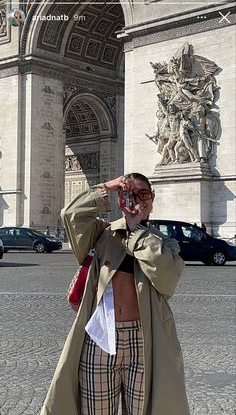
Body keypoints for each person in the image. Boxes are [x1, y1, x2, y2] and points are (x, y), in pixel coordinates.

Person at [40, 173, 190, 415]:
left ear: (152, 198)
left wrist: (135, 230)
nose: (138, 201)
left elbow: (167, 278)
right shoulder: (101, 234)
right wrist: (107, 187)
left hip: (143, 340)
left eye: (144, 194)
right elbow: (70, 215)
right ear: (121, 198)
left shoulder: (165, 243)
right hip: (100, 337)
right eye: (130, 194)